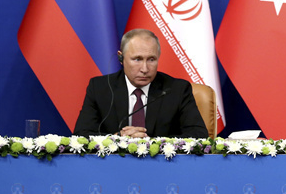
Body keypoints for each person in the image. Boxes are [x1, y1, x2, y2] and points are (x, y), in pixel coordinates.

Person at [73, 29, 209, 138]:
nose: (144, 69)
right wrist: (116, 139)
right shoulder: (99, 88)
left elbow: (199, 135)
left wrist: (152, 144)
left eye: (151, 59)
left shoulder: (177, 89)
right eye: (137, 59)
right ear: (121, 57)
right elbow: (81, 135)